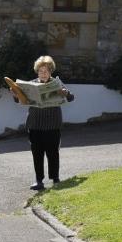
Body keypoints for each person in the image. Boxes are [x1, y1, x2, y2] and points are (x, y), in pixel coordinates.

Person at [23, 55, 74, 191]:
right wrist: (15, 94)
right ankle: (39, 181)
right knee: (37, 154)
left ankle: (55, 179)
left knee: (53, 153)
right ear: (37, 71)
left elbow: (71, 97)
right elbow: (20, 100)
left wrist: (65, 93)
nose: (43, 74)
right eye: (40, 71)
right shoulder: (31, 84)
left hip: (52, 124)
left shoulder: (56, 83)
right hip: (35, 124)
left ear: (50, 71)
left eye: (45, 71)